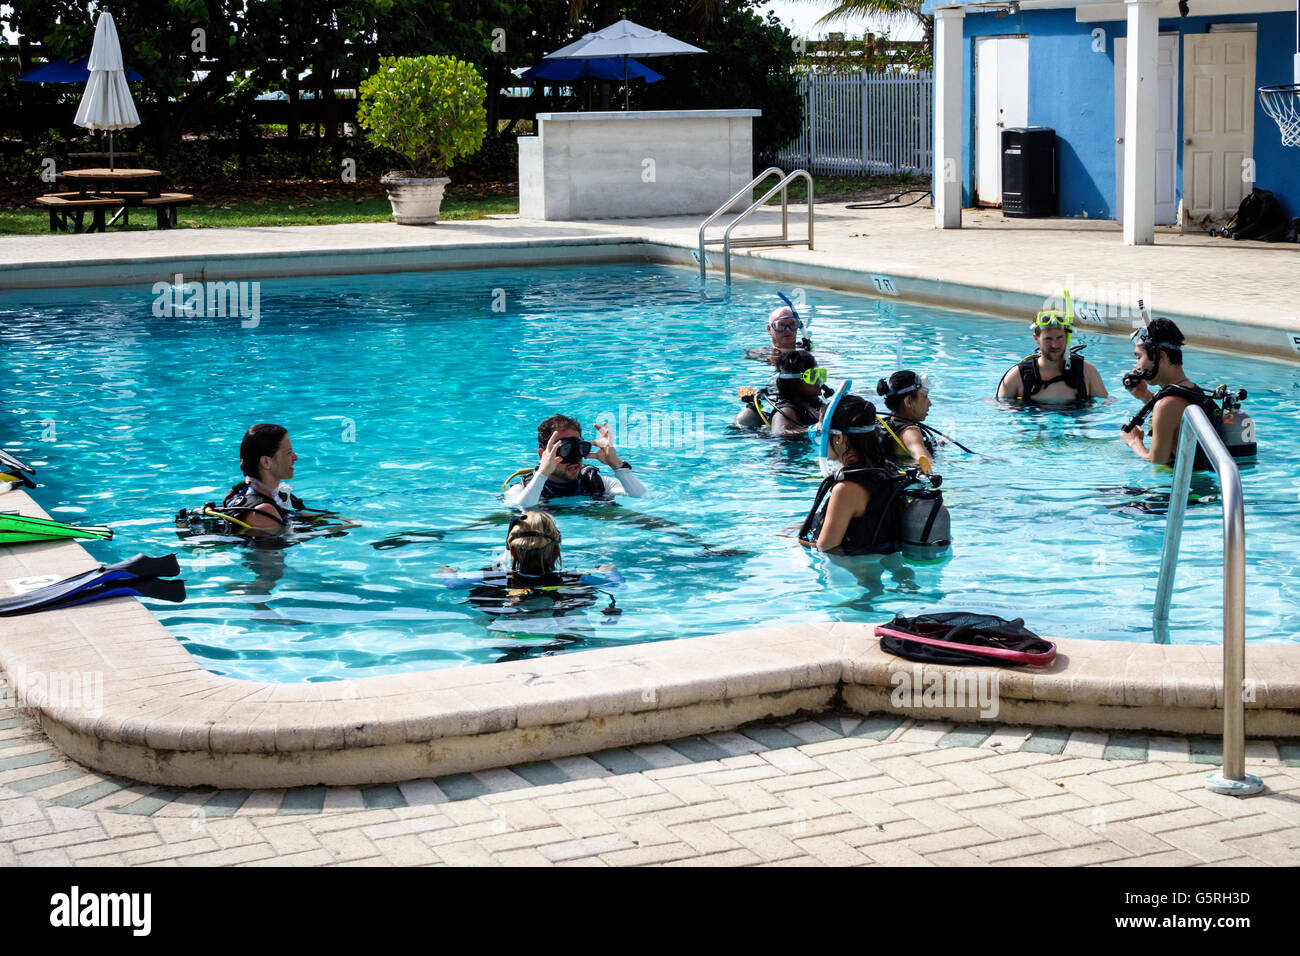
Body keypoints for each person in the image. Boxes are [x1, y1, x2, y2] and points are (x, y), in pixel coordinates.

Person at [797, 391, 949, 554]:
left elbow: (826, 548)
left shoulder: (846, 489)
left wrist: (793, 541)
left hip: (854, 575)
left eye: (821, 433)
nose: (820, 440)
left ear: (839, 438)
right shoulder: (888, 472)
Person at [1119, 316, 1255, 465]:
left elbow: (1156, 461)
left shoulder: (1166, 406)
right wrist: (1145, 396)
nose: (1137, 365)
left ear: (1161, 355)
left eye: (1139, 357)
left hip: (1181, 487)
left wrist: (1134, 442)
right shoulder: (1193, 390)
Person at [503, 414, 647, 508]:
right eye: (564, 450)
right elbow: (522, 508)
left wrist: (616, 464)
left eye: (578, 448)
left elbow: (642, 497)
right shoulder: (520, 490)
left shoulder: (595, 483)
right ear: (543, 454)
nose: (573, 458)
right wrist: (543, 473)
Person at [997, 292, 1108, 404]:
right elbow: (1000, 411)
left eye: (1059, 338)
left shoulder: (1087, 373)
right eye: (1048, 339)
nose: (1055, 345)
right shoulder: (1017, 377)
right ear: (1036, 339)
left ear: (1067, 337)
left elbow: (1106, 407)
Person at [736, 349, 828, 435]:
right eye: (812, 376)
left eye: (820, 374)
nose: (819, 380)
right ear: (794, 383)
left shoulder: (813, 403)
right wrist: (815, 428)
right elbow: (779, 433)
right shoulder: (786, 411)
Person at [877, 370, 937, 470]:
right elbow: (927, 464)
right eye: (925, 396)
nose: (929, 403)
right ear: (908, 401)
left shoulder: (885, 426)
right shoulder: (911, 432)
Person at [745, 302, 813, 365]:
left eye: (792, 324)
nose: (787, 329)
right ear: (769, 329)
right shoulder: (756, 355)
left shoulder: (810, 352)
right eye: (781, 325)